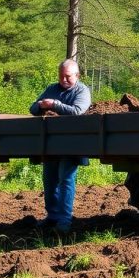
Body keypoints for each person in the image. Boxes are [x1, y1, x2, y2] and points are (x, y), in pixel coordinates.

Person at [29, 59, 92, 232]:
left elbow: (78, 111)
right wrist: (40, 105)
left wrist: (55, 105)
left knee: (66, 180)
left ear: (77, 76)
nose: (63, 80)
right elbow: (32, 108)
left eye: (68, 76)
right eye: (61, 76)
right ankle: (52, 216)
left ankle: (64, 221)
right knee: (49, 181)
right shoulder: (52, 88)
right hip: (51, 144)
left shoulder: (82, 91)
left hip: (72, 144)